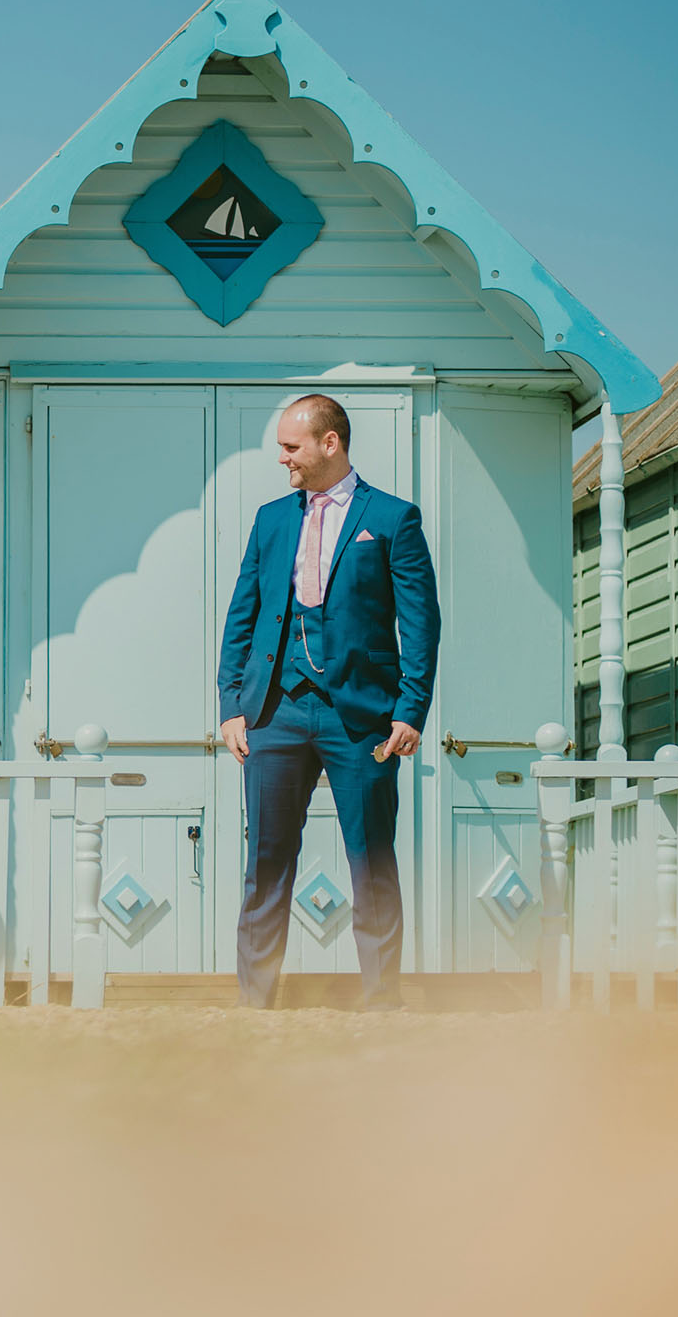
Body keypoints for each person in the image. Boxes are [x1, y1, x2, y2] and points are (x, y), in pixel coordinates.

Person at [217, 394, 440, 1010]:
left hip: (362, 718)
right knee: (266, 861)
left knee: (372, 860)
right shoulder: (270, 519)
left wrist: (410, 709)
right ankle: (255, 1005)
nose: (281, 457)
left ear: (329, 443)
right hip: (275, 714)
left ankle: (382, 1001)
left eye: (290, 446)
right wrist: (231, 705)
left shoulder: (393, 519)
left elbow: (420, 623)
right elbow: (243, 613)